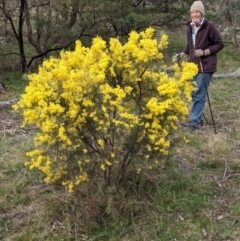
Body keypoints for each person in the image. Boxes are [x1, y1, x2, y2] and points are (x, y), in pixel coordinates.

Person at [180, 0, 224, 130]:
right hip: (193, 65)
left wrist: (205, 52)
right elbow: (190, 45)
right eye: (192, 12)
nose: (194, 14)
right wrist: (182, 53)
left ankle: (194, 122)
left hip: (206, 65)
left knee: (199, 93)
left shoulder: (209, 26)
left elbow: (220, 43)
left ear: (201, 13)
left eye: (197, 12)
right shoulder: (190, 27)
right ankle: (197, 119)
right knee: (194, 93)